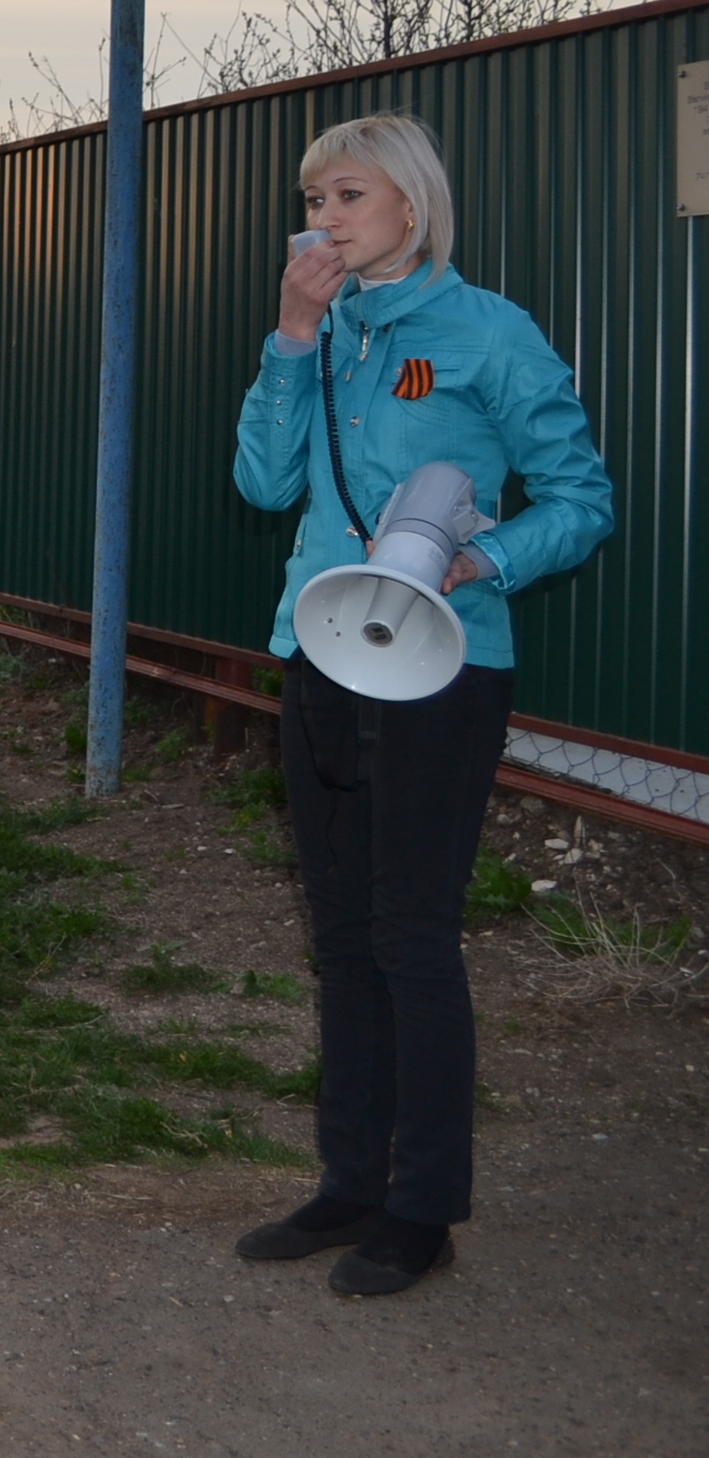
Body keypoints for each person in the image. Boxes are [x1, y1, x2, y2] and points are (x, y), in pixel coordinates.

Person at [227, 113, 612, 1298]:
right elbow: (263, 482)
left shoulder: (487, 332)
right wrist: (291, 342)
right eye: (313, 199)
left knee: (411, 936)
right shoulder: (326, 330)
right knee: (341, 936)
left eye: (345, 196)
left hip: (443, 664)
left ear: (409, 202)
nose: (321, 219)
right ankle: (351, 1180)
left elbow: (580, 498)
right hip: (322, 649)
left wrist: (479, 562)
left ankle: (424, 1206)